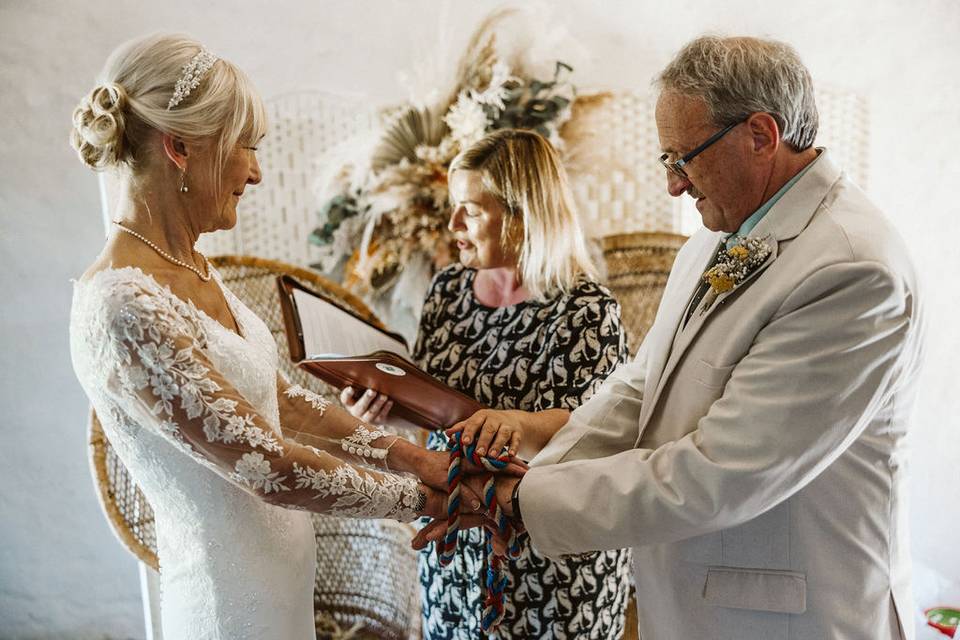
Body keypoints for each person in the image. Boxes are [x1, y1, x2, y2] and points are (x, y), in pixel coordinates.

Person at [417, 36, 925, 639]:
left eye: (683, 158)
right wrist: (529, 467)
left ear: (761, 135)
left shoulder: (850, 268)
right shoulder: (714, 239)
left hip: (793, 616)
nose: (674, 185)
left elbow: (721, 471)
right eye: (667, 161)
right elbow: (640, 390)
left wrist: (516, 501)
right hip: (698, 601)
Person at [67, 33, 504, 640]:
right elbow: (263, 464)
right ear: (179, 148)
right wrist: (437, 502)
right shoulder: (122, 303)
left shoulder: (196, 267)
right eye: (245, 146)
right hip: (227, 604)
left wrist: (430, 463)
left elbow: (287, 407)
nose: (256, 170)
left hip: (280, 586)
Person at [343, 129, 633, 639]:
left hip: (554, 557)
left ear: (524, 214)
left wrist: (518, 423)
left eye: (471, 211)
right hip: (454, 548)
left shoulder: (588, 309)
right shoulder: (447, 291)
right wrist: (391, 410)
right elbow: (435, 408)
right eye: (455, 208)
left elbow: (606, 429)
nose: (453, 224)